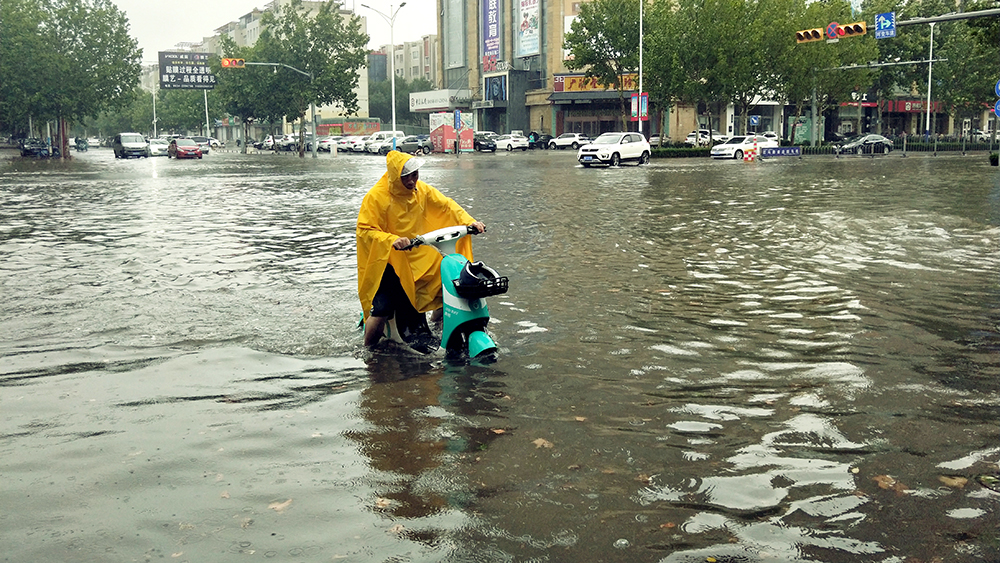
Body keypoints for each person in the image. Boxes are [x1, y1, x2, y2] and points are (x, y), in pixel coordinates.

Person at [357, 150, 485, 349]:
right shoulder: (376, 197)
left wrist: (470, 222)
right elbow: (365, 230)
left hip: (415, 255)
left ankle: (437, 327)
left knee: (448, 284)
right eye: (406, 177)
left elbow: (447, 205)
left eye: (415, 175)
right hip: (388, 260)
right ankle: (368, 351)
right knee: (382, 308)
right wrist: (391, 239)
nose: (411, 181)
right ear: (394, 176)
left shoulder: (421, 190)